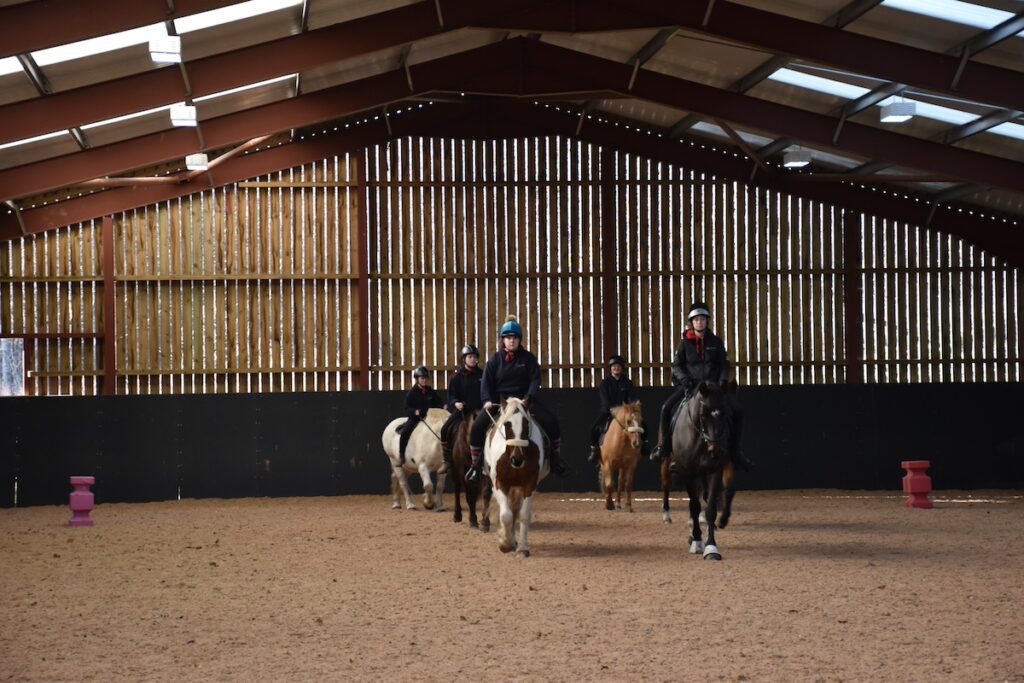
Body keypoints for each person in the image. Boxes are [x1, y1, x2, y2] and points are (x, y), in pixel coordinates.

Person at [465, 316, 569, 482]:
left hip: (525, 402)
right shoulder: (494, 361)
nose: (511, 341)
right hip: (501, 402)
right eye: (508, 338)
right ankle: (475, 466)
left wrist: (529, 397)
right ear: (503, 340)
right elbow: (486, 383)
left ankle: (555, 459)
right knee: (477, 427)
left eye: (514, 338)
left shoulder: (528, 358)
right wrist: (486, 400)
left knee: (551, 421)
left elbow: (535, 379)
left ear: (519, 339)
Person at [650, 302, 737, 470]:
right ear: (692, 322)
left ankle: (736, 451)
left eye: (703, 319)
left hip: (712, 388)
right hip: (690, 386)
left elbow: (724, 364)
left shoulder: (716, 342)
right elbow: (676, 365)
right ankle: (664, 448)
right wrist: (684, 379)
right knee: (666, 408)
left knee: (736, 411)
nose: (700, 322)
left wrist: (723, 379)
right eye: (696, 319)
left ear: (707, 321)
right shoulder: (684, 344)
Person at [588, 355, 645, 464]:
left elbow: (631, 399)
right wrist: (612, 410)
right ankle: (594, 450)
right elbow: (605, 400)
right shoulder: (605, 383)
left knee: (642, 424)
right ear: (610, 368)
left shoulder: (628, 383)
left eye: (618, 366)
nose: (616, 368)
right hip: (608, 412)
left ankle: (644, 446)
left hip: (626, 413)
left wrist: (630, 409)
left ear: (621, 368)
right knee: (594, 427)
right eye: (614, 366)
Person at [439, 344, 483, 473]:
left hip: (479, 411)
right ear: (464, 359)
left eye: (475, 357)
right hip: (462, 411)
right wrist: (455, 403)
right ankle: (447, 461)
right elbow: (451, 394)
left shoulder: (483, 374)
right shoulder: (456, 376)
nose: (473, 359)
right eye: (470, 357)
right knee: (445, 429)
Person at [397, 366, 445, 465]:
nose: (424, 380)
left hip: (431, 419)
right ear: (417, 379)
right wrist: (414, 412)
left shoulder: (431, 391)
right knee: (406, 431)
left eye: (426, 378)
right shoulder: (411, 393)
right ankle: (401, 454)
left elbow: (438, 402)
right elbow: (407, 408)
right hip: (416, 418)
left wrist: (443, 406)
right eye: (422, 378)